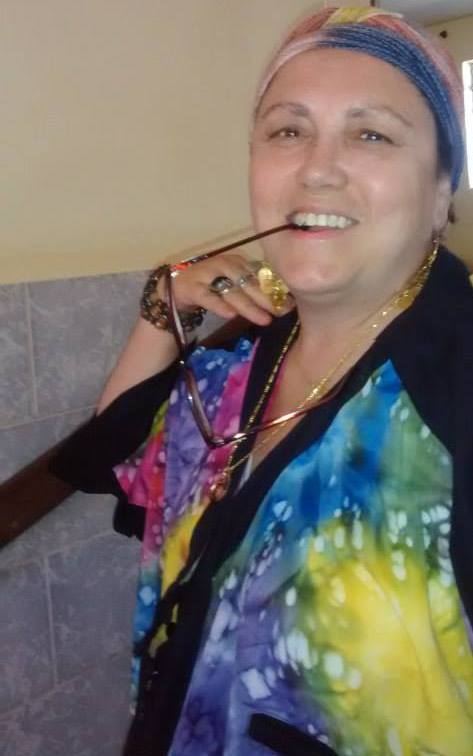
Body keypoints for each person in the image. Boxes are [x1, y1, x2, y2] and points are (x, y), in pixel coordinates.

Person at [51, 6, 473, 755]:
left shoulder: (454, 393)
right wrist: (163, 305)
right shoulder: (235, 370)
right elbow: (112, 460)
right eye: (286, 131)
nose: (317, 168)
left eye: (371, 134)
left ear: (444, 188)